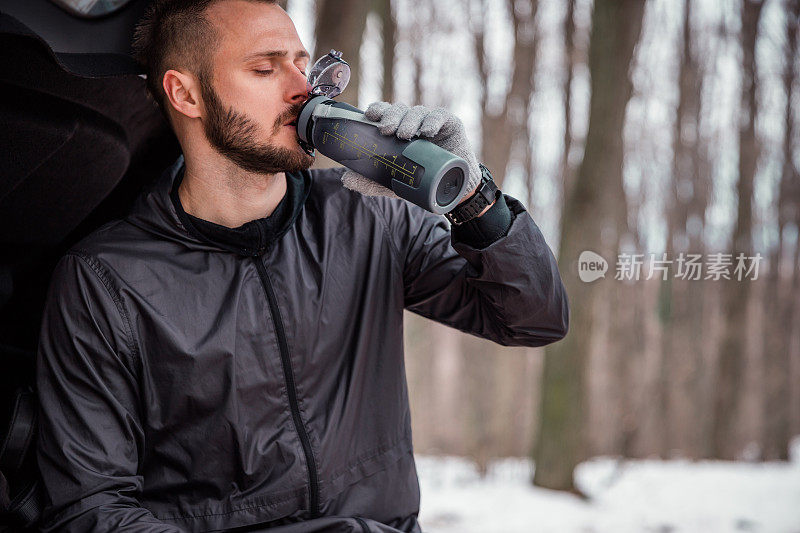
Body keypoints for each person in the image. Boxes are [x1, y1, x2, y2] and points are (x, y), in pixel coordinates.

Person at [34, 0, 569, 531]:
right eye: (265, 68)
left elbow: (533, 319)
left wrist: (473, 199)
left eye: (303, 64)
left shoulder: (370, 214)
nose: (302, 89)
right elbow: (90, 508)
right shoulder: (105, 280)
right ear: (186, 93)